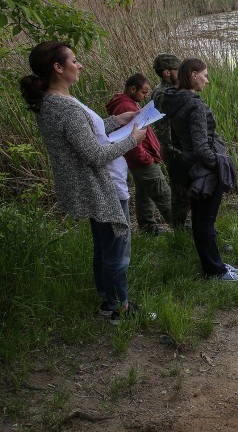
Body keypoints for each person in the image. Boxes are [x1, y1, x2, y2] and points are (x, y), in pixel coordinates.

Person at [19, 41, 147, 324]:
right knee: (117, 249)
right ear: (58, 68)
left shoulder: (51, 102)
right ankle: (118, 309)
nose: (79, 66)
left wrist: (115, 121)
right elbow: (95, 154)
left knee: (104, 246)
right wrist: (132, 140)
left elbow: (85, 134)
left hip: (92, 186)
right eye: (74, 61)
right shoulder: (64, 108)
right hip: (103, 187)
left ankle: (107, 299)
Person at [159, 58, 238, 281]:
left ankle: (214, 264)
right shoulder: (194, 104)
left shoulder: (173, 101)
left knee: (199, 220)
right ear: (193, 75)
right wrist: (219, 165)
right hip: (204, 171)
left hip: (190, 168)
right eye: (205, 74)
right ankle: (215, 271)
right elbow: (202, 146)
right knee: (205, 222)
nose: (207, 79)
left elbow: (177, 138)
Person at [107, 73, 172, 235]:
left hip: (141, 159)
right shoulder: (125, 106)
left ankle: (148, 229)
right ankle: (185, 229)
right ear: (132, 89)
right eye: (143, 92)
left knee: (145, 196)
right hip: (142, 160)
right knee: (163, 194)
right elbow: (131, 138)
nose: (145, 96)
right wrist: (146, 158)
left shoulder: (129, 103)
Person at [151, 53, 190, 230]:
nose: (181, 73)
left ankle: (188, 227)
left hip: (180, 146)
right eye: (178, 70)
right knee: (180, 192)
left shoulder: (174, 90)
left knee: (188, 188)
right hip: (172, 148)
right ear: (167, 72)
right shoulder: (162, 93)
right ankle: (180, 230)